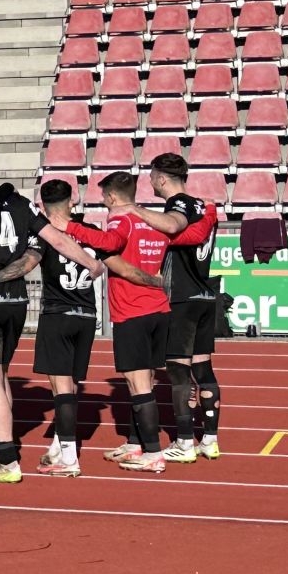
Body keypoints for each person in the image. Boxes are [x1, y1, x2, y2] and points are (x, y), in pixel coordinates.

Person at [0, 142, 111, 485]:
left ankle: (6, 458)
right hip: (17, 301)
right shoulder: (20, 203)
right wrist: (91, 262)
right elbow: (57, 240)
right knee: (0, 375)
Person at [60, 171, 216, 473]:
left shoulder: (121, 220)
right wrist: (210, 212)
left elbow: (110, 241)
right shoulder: (155, 220)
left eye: (104, 196)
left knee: (137, 383)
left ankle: (153, 453)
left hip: (132, 310)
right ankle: (135, 443)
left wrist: (68, 226)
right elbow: (194, 235)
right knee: (142, 381)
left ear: (112, 197)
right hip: (159, 310)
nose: (103, 201)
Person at [130, 153, 225, 461]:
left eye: (151, 177)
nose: (149, 182)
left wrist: (135, 210)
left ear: (161, 178)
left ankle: (184, 442)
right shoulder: (202, 206)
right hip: (204, 294)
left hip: (182, 296)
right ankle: (209, 439)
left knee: (178, 371)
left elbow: (172, 227)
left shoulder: (179, 206)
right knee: (203, 368)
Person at [28, 180, 113, 479]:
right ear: (72, 200)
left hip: (58, 313)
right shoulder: (88, 230)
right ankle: (57, 446)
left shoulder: (43, 233)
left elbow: (28, 262)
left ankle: (69, 457)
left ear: (42, 204)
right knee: (70, 385)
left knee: (61, 388)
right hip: (86, 314)